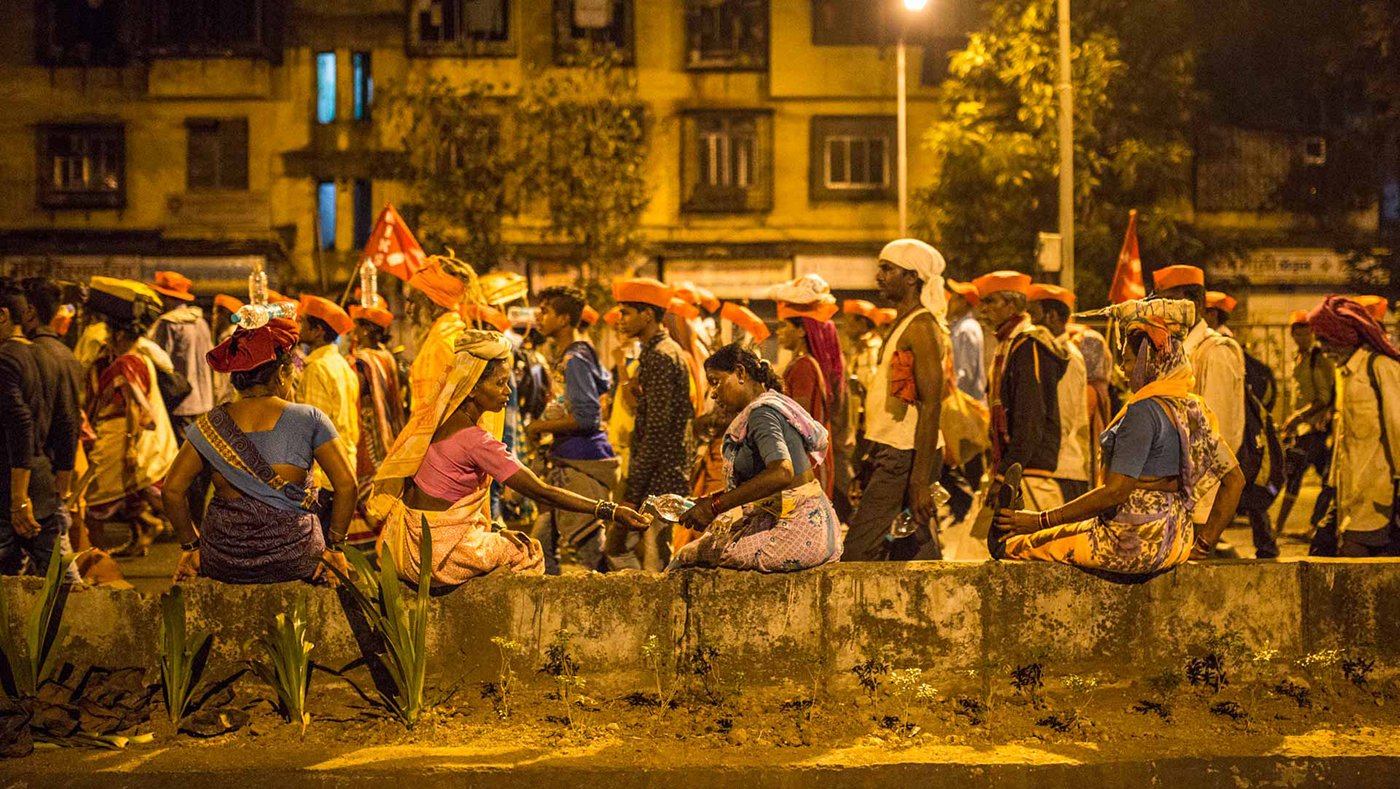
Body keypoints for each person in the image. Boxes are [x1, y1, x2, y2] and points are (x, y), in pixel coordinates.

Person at [366, 331, 647, 585]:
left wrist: (497, 528)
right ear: (472, 387)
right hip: (436, 555)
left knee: (504, 535)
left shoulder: (435, 424)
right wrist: (609, 510)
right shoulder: (476, 441)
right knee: (527, 552)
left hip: (405, 543)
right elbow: (541, 491)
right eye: (500, 383)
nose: (508, 391)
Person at [994, 298, 1247, 576]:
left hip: (1128, 543)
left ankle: (1009, 536)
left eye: (1127, 360)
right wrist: (1203, 545)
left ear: (1147, 360)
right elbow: (1235, 481)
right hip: (1175, 543)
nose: (1123, 371)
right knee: (1060, 529)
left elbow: (1115, 492)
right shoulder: (1193, 408)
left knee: (1020, 546)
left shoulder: (1143, 411)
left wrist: (1039, 520)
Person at [165, 318, 356, 584]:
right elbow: (347, 485)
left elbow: (172, 490)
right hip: (296, 557)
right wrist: (335, 547)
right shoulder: (309, 419)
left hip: (225, 558)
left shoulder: (211, 424)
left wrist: (190, 546)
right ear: (281, 374)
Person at [673, 344, 842, 571]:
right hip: (805, 522)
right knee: (705, 543)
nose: (713, 393)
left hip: (797, 529)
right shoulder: (767, 407)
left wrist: (714, 506)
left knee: (692, 555)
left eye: (716, 381)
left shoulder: (762, 413)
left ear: (741, 373)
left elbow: (781, 473)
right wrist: (708, 501)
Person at [1151, 266, 1273, 558]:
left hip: (1201, 500)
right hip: (1177, 496)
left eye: (1168, 301)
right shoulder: (1177, 350)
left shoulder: (1215, 352)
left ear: (1193, 304)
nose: (1161, 310)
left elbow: (1217, 437)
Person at [843, 239, 945, 562]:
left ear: (912, 277)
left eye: (888, 269)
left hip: (905, 455)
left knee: (858, 551)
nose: (879, 276)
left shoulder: (922, 327)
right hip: (893, 450)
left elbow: (931, 406)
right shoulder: (903, 323)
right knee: (911, 549)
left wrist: (919, 481)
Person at [524, 286, 622, 574]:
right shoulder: (576, 354)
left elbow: (587, 418)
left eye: (545, 312)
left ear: (564, 319)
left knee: (590, 550)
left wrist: (538, 426)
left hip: (580, 462)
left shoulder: (574, 361)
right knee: (541, 544)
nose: (538, 317)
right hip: (567, 458)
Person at [80, 281, 179, 555]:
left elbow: (136, 407)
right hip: (133, 441)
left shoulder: (127, 362)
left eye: (112, 335)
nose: (108, 341)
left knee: (94, 505)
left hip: (123, 442)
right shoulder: (141, 357)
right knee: (151, 495)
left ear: (121, 336)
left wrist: (130, 445)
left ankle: (95, 564)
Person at [977, 271, 1068, 559]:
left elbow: (1030, 418)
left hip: (1029, 474)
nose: (984, 309)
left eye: (991, 301)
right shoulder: (1008, 343)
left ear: (1013, 305)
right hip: (1014, 471)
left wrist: (1005, 474)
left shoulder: (1028, 345)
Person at [1307, 296, 1400, 556]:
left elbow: (1397, 428)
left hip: (1377, 497)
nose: (1321, 347)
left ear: (1343, 336)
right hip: (1347, 496)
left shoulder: (1381, 368)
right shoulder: (1346, 374)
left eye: (1325, 339)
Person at [615, 278, 694, 571]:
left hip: (661, 474)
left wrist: (634, 488)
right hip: (658, 470)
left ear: (647, 314)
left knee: (652, 560)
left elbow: (657, 430)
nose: (620, 320)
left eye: (626, 313)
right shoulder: (656, 352)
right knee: (628, 549)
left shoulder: (661, 355)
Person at [0, 282, 64, 575]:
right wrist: (61, 482)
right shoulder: (47, 356)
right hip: (42, 482)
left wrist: (17, 501)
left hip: (12, 489)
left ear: (3, 316)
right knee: (54, 581)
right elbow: (66, 421)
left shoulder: (5, 360)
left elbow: (20, 424)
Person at [772, 276, 844, 496]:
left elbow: (797, 420)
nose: (779, 332)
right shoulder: (805, 363)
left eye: (784, 326)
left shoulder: (804, 366)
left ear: (802, 330)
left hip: (804, 466)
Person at [344, 302, 408, 548]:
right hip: (386, 431)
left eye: (356, 327)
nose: (352, 333)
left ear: (367, 330)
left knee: (366, 484)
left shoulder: (363, 362)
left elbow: (356, 387)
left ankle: (378, 539)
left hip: (369, 430)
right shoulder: (386, 356)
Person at [1028, 284, 1092, 501]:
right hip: (1051, 470)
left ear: (1052, 316)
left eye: (1033, 314)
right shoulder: (1048, 354)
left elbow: (1062, 418)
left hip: (1060, 472)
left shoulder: (1067, 357)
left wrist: (1042, 458)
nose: (1029, 322)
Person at [1277, 309, 1335, 537]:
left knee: (1294, 477)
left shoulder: (1317, 358)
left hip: (1313, 429)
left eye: (1306, 333)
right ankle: (1319, 526)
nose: (1302, 337)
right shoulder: (1298, 358)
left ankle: (1277, 528)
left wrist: (1297, 417)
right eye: (1297, 333)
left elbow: (1323, 397)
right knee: (1328, 480)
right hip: (1304, 429)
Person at [295, 296, 361, 495]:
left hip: (325, 477)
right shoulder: (341, 365)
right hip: (344, 466)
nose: (298, 325)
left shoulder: (317, 368)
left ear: (318, 331)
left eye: (303, 321)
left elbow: (313, 430)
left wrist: (312, 478)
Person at [149, 271, 215, 432]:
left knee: (182, 454)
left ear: (167, 298)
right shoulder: (201, 322)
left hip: (180, 405)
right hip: (205, 402)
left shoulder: (168, 324)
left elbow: (160, 362)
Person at [406, 265, 467, 418]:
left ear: (432, 303)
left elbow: (446, 411)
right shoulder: (441, 338)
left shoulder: (443, 343)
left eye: (413, 302)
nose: (408, 310)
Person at [945, 280, 986, 404]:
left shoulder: (968, 328)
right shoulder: (958, 326)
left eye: (955, 297)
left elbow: (966, 373)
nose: (950, 300)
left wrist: (952, 398)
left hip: (967, 404)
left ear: (963, 302)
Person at [210, 294, 243, 407]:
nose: (213, 318)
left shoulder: (230, 341)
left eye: (216, 313)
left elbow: (227, 382)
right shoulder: (234, 337)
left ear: (227, 315)